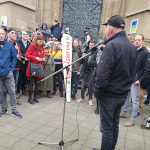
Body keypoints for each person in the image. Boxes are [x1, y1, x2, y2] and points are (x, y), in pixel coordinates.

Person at [93, 15, 136, 150]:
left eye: (106, 27)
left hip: (110, 95)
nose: (106, 30)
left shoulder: (111, 45)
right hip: (122, 94)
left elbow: (102, 75)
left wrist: (97, 92)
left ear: (110, 29)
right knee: (114, 125)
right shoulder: (131, 46)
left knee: (106, 128)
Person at [121, 34, 150, 127]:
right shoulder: (133, 50)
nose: (136, 41)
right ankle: (124, 112)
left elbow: (147, 69)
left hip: (135, 81)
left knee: (135, 100)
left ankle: (132, 119)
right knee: (126, 96)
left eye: (138, 40)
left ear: (143, 41)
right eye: (135, 40)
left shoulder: (145, 53)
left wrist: (140, 80)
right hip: (128, 78)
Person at [0, 27, 22, 118]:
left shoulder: (9, 45)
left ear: (5, 34)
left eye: (2, 34)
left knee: (12, 92)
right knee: (1, 92)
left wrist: (11, 69)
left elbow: (14, 58)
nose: (0, 35)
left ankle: (14, 111)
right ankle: (4, 109)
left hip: (8, 73)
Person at [25, 35, 45, 104]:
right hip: (32, 67)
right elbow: (27, 55)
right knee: (31, 83)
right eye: (39, 41)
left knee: (37, 83)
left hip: (39, 67)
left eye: (42, 42)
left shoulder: (42, 47)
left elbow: (41, 56)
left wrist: (42, 59)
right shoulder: (32, 45)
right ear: (36, 40)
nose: (40, 43)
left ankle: (35, 97)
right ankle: (29, 98)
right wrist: (35, 58)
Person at [76, 40, 96, 106]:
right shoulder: (86, 51)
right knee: (82, 86)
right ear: (89, 44)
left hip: (91, 72)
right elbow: (82, 62)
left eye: (93, 45)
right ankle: (82, 98)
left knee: (90, 86)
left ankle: (90, 99)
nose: (91, 46)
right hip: (85, 71)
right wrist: (83, 57)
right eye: (90, 45)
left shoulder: (95, 52)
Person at [6, 28, 22, 105]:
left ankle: (14, 100)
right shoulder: (4, 42)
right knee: (5, 85)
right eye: (12, 33)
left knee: (14, 84)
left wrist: (19, 57)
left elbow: (20, 54)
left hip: (16, 67)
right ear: (8, 33)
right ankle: (4, 100)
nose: (14, 34)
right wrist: (14, 56)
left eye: (15, 33)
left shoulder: (17, 44)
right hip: (7, 67)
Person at [88, 45, 104, 114]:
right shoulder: (98, 51)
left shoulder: (111, 51)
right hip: (97, 74)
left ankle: (103, 107)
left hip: (107, 75)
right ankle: (98, 107)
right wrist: (96, 63)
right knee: (98, 92)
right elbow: (90, 62)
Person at [16, 30, 31, 99]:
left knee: (25, 77)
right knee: (18, 78)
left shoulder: (29, 43)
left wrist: (27, 57)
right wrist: (23, 57)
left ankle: (23, 90)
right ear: (21, 35)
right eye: (23, 34)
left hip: (26, 63)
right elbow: (17, 52)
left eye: (26, 34)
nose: (25, 35)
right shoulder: (17, 42)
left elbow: (30, 52)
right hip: (19, 63)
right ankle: (17, 91)